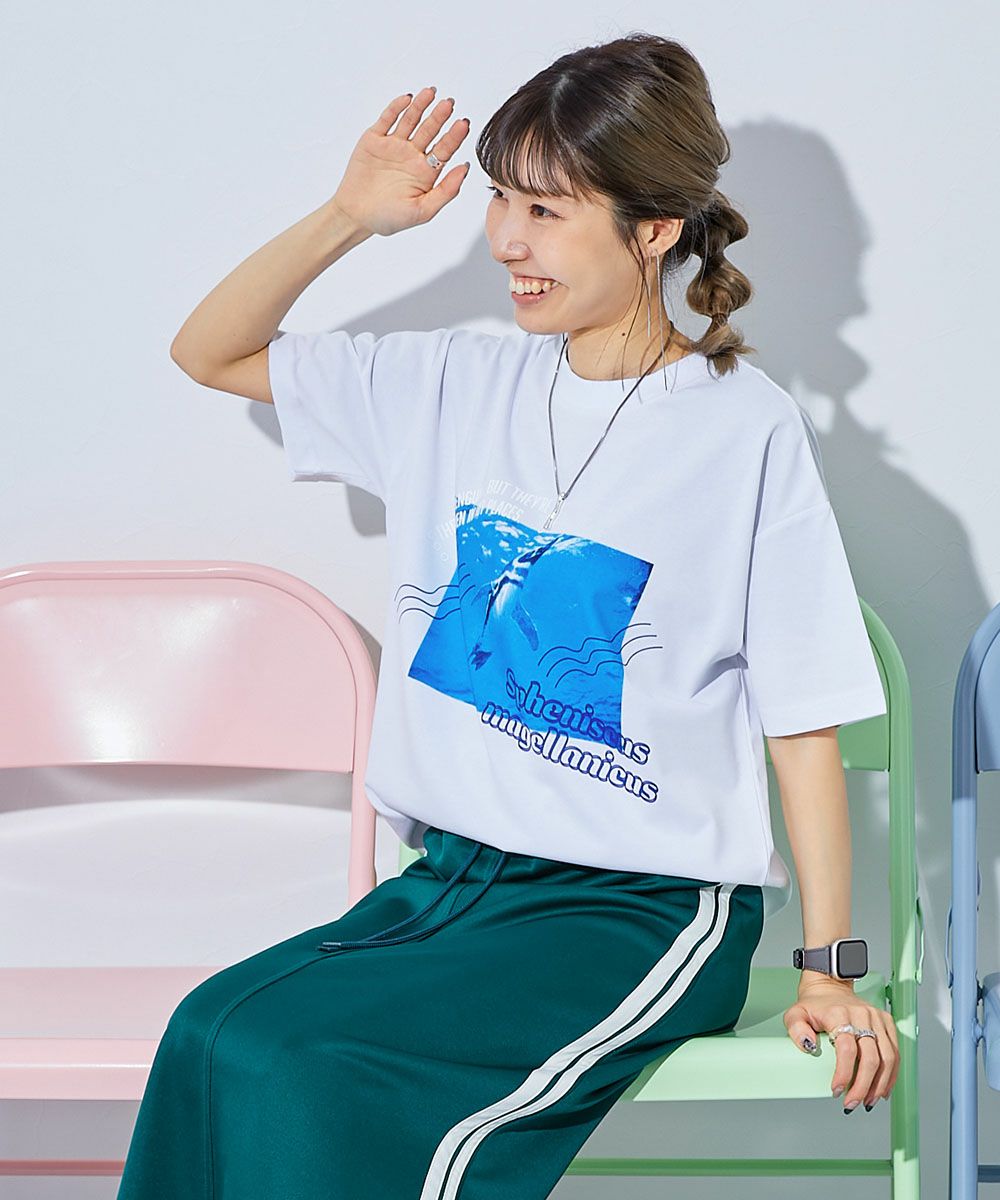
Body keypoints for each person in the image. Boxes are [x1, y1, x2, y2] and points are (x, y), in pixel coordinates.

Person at [122, 32, 898, 1200]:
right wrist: (347, 217)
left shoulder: (743, 430)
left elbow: (803, 715)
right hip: (451, 885)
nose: (504, 240)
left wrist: (829, 970)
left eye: (544, 209)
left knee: (316, 1071)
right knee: (216, 1030)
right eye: (500, 199)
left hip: (635, 908)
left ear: (652, 229)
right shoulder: (448, 383)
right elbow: (208, 351)